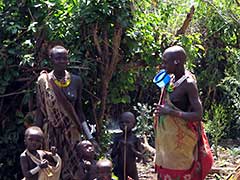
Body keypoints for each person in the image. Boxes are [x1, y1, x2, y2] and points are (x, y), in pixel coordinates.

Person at [153, 45, 213, 179]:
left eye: (165, 61)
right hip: (167, 147)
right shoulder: (172, 79)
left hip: (181, 148)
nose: (163, 65)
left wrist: (170, 112)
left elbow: (198, 115)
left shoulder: (189, 84)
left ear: (176, 62)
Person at [35, 45, 94, 179]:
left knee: (73, 170)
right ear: (51, 60)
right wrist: (37, 136)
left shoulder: (76, 80)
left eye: (64, 58)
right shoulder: (43, 81)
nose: (61, 61)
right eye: (57, 58)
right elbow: (40, 110)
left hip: (72, 134)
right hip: (50, 133)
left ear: (68, 60)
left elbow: (79, 111)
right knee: (51, 168)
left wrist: (89, 136)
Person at [111, 112, 144, 180]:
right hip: (119, 169)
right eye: (122, 122)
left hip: (132, 169)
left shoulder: (135, 139)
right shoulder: (117, 138)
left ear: (133, 125)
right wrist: (118, 147)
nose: (124, 124)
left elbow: (140, 156)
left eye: (127, 122)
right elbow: (113, 155)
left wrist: (132, 149)